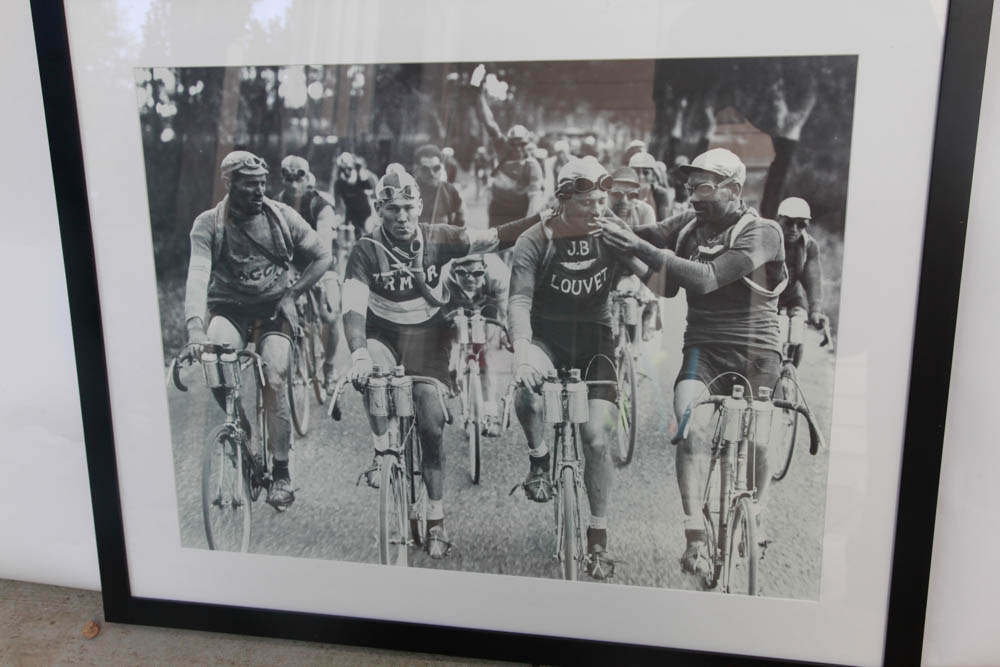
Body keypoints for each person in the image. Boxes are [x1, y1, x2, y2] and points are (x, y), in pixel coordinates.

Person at [598, 148, 787, 578]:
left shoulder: (763, 232)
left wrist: (637, 246)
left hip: (757, 351)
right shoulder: (687, 226)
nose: (692, 196)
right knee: (689, 427)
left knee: (759, 439)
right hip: (704, 348)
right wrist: (604, 227)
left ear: (734, 189)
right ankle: (695, 535)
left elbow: (706, 278)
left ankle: (757, 512)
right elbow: (663, 283)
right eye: (689, 187)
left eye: (703, 187)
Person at [342, 169, 537, 558]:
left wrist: (544, 217)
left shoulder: (440, 237)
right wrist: (359, 353)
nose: (402, 216)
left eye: (408, 207)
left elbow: (496, 237)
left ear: (419, 206)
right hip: (382, 335)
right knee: (374, 377)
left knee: (431, 424)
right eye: (392, 209)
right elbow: (352, 308)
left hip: (428, 339)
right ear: (379, 209)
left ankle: (436, 519)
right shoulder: (364, 249)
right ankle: (381, 452)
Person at [508, 157, 647, 580]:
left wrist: (633, 279)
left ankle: (598, 537)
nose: (597, 209)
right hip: (546, 337)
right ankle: (539, 459)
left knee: (597, 438)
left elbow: (649, 275)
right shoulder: (536, 238)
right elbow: (519, 301)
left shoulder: (612, 231)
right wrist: (521, 352)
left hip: (595, 340)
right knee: (525, 391)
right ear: (563, 199)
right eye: (587, 203)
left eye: (602, 201)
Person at [184, 151, 333, 510]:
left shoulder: (281, 216)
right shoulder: (209, 224)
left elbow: (323, 256)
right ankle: (240, 425)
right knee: (216, 364)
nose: (259, 191)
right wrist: (194, 329)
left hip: (273, 307)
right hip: (230, 306)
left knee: (275, 374)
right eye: (250, 185)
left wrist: (293, 294)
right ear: (229, 183)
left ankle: (281, 472)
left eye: (263, 184)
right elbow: (198, 276)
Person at [276, 156, 343, 390]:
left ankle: (330, 366)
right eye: (288, 178)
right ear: (282, 179)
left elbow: (324, 246)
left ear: (308, 178)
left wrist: (316, 275)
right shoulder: (276, 204)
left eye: (299, 178)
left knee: (330, 315)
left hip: (323, 264)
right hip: (293, 265)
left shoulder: (320, 205)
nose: (294, 184)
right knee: (283, 309)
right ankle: (296, 357)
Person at [442, 253, 510, 437]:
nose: (470, 278)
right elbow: (438, 317)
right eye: (462, 273)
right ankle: (455, 373)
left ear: (485, 269)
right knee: (451, 339)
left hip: (487, 302)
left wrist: (506, 333)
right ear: (453, 271)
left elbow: (506, 310)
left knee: (485, 353)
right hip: (454, 303)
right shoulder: (443, 278)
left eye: (477, 273)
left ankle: (491, 414)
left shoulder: (498, 274)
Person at [474, 85, 546, 229]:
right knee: (495, 240)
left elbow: (534, 200)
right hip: (498, 207)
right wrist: (479, 96)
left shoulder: (532, 166)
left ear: (527, 144)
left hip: (519, 209)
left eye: (522, 144)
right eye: (514, 144)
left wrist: (528, 226)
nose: (518, 148)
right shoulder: (503, 150)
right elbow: (489, 124)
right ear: (508, 143)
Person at [607, 167, 660, 342]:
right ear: (608, 193)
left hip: (636, 269)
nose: (624, 200)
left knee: (637, 302)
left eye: (631, 196)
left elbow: (651, 255)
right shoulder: (601, 210)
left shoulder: (645, 212)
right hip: (608, 269)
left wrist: (644, 289)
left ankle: (636, 345)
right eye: (617, 194)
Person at [775, 197, 827, 366]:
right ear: (778, 219)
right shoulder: (765, 238)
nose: (794, 230)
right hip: (765, 298)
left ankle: (791, 372)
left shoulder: (808, 245)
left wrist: (816, 310)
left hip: (792, 296)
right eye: (789, 223)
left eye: (801, 225)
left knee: (798, 329)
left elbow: (813, 279)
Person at [412, 144, 466, 227]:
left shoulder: (449, 190)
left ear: (441, 167)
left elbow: (461, 214)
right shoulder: (410, 190)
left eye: (436, 168)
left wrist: (453, 231)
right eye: (425, 169)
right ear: (417, 169)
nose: (432, 174)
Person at [333, 152, 374, 239]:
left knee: (368, 231)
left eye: (349, 168)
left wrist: (362, 175)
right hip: (351, 211)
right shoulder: (339, 183)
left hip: (364, 209)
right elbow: (337, 200)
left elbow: (369, 188)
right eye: (344, 169)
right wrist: (338, 214)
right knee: (354, 234)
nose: (347, 171)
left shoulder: (360, 177)